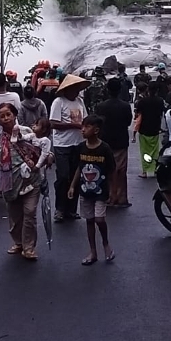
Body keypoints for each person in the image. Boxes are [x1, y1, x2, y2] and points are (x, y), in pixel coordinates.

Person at [0, 102, 51, 261]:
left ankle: (29, 247)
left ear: (14, 115)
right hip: (10, 183)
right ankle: (18, 242)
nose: (6, 118)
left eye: (9, 114)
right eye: (2, 116)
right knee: (15, 217)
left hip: (31, 180)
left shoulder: (27, 132)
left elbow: (43, 147)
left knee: (29, 213)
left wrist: (49, 157)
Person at [67, 114, 117, 265]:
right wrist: (72, 186)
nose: (83, 129)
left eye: (87, 126)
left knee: (99, 219)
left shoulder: (104, 148)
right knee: (89, 220)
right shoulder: (81, 148)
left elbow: (112, 171)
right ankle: (93, 252)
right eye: (82, 126)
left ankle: (106, 243)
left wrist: (113, 191)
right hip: (85, 191)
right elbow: (79, 168)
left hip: (101, 191)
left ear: (96, 130)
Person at [50, 73, 90, 222]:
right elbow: (53, 123)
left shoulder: (80, 101)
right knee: (63, 177)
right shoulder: (59, 102)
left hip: (78, 143)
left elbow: (85, 118)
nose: (77, 91)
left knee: (75, 177)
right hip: (62, 144)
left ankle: (71, 209)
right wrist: (74, 125)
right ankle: (60, 209)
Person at [96, 78, 133, 207]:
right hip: (121, 140)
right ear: (119, 90)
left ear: (107, 90)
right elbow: (128, 122)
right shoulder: (125, 106)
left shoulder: (101, 106)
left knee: (107, 169)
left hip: (105, 141)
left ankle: (109, 196)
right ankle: (121, 198)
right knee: (121, 170)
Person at [134, 80, 167, 179]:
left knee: (144, 151)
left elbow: (138, 114)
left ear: (148, 90)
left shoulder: (142, 102)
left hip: (144, 129)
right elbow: (163, 113)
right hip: (155, 128)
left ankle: (145, 171)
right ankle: (155, 168)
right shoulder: (160, 101)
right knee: (155, 150)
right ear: (157, 90)